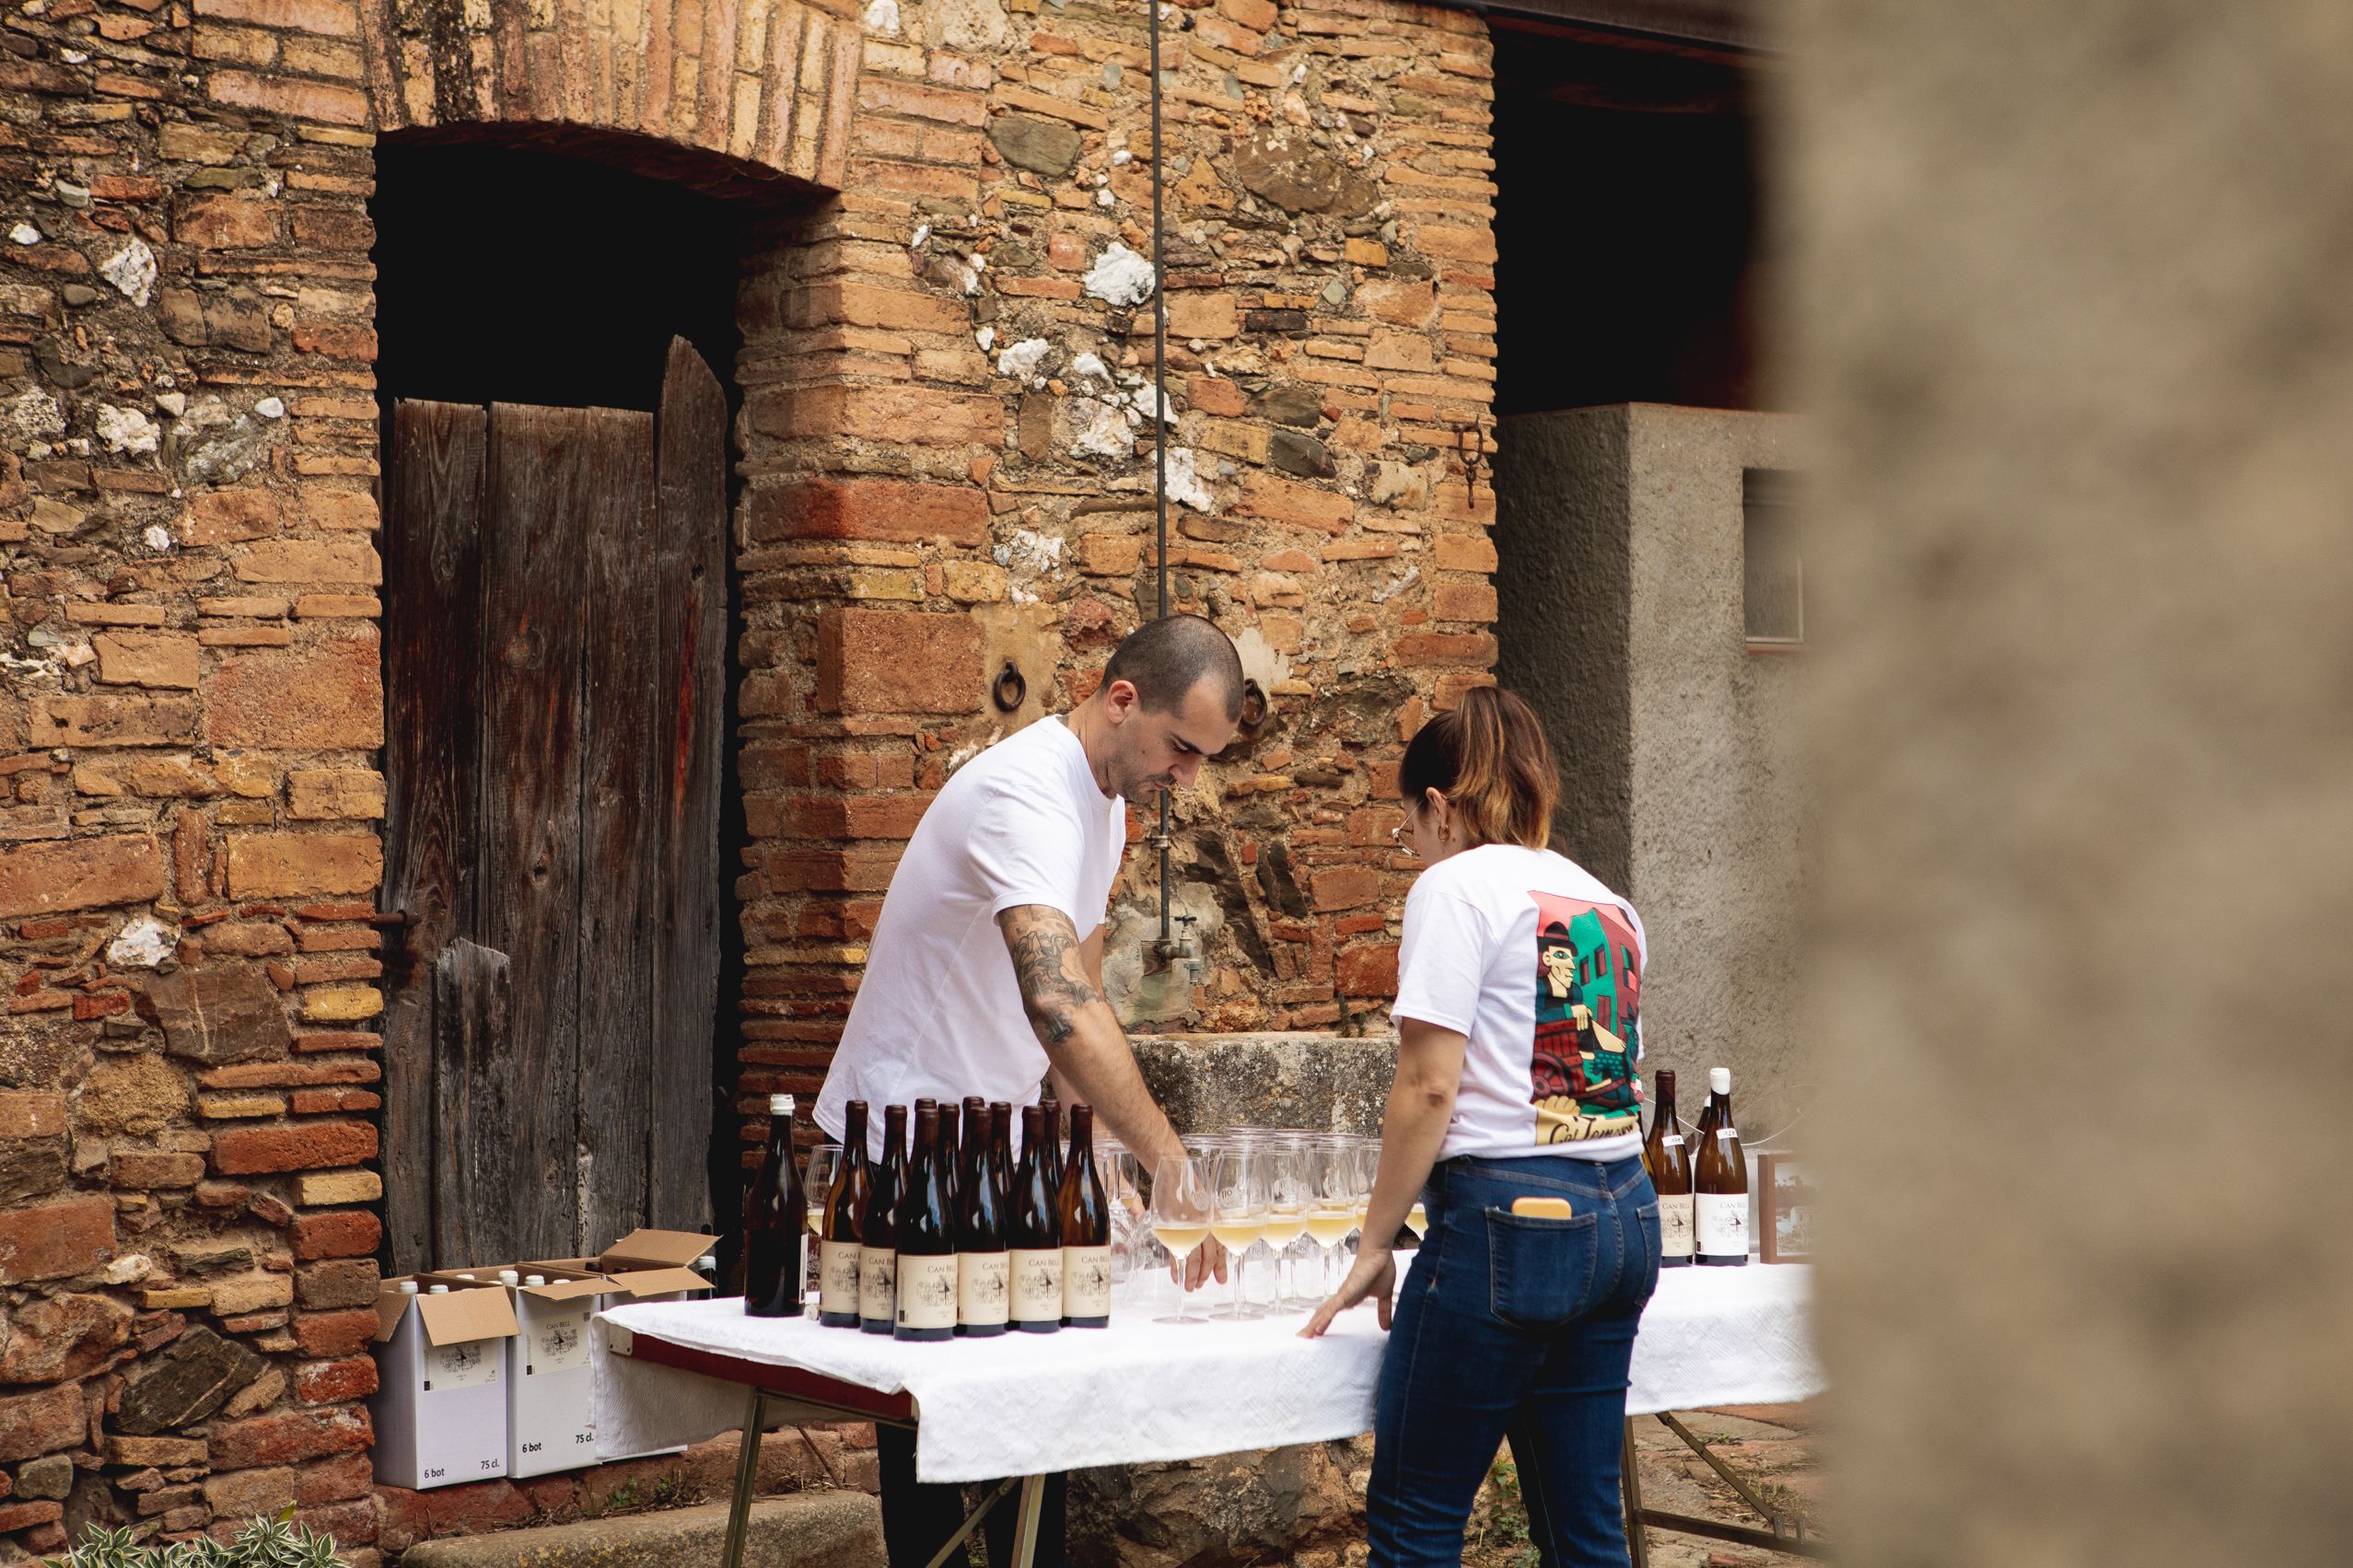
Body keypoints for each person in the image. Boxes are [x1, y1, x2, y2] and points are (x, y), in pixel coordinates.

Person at [811, 613, 1243, 1568]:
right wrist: (1171, 1166)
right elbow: (1054, 1000)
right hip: (904, 1142)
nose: (1187, 779)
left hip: (998, 1150)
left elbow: (1080, 988)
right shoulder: (1024, 792)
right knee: (933, 1442)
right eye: (1181, 748)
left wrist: (1093, 1154)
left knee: (1034, 1421)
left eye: (1203, 759)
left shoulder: (1108, 803)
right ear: (1121, 699)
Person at [1302, 685, 1661, 1568]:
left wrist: (1375, 1243)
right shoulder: (1607, 902)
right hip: (1626, 1211)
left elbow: (1429, 1086)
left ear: (1439, 805)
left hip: (1512, 1220)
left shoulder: (1454, 886)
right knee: (1584, 1530)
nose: (1415, 846)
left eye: (1409, 827)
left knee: (1416, 1521)